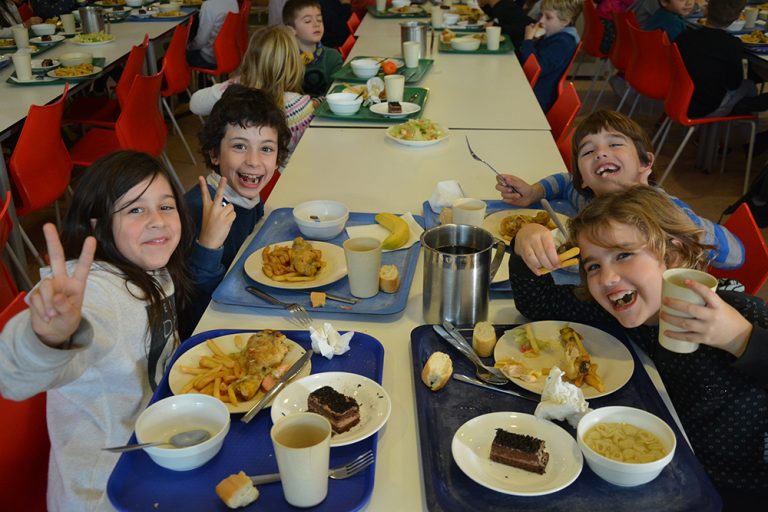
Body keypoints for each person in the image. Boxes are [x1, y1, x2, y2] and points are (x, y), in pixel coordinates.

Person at [508, 186, 768, 510]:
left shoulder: (740, 314)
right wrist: (525, 240)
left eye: (623, 255)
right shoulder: (620, 311)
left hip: (737, 491)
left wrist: (741, 339)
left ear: (672, 254)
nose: (607, 278)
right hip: (654, 471)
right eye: (593, 266)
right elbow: (538, 302)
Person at [0, 150, 193, 510]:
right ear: (97, 225)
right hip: (105, 492)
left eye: (166, 206)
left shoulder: (151, 268)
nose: (157, 221)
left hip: (160, 450)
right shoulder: (96, 293)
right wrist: (48, 339)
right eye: (135, 210)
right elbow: (12, 377)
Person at [495, 110, 744, 271]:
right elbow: (565, 181)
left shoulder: (666, 209)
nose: (601, 153)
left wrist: (671, 220)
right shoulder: (588, 197)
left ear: (645, 163)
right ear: (585, 180)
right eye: (588, 151)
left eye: (615, 144)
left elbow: (736, 254)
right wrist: (534, 192)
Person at [182, 85, 291, 339]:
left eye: (266, 149)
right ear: (214, 154)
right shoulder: (198, 211)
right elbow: (194, 310)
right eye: (240, 146)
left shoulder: (246, 196)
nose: (253, 161)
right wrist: (208, 247)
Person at [190, 25, 314, 166]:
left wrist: (230, 85)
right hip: (283, 175)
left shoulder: (236, 96)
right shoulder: (301, 106)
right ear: (294, 64)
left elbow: (195, 104)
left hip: (240, 172)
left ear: (249, 60)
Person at [676, 0, 768, 118]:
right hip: (708, 108)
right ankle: (746, 123)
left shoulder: (684, 36)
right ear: (737, 17)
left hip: (678, 100)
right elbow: (734, 84)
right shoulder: (732, 44)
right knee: (749, 85)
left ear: (706, 11)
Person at [518, 0, 581, 112]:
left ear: (565, 21)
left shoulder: (562, 43)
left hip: (537, 99)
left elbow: (536, 68)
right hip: (532, 90)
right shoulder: (555, 36)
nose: (541, 21)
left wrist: (528, 41)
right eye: (541, 15)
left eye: (548, 17)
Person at [283, 0, 344, 97]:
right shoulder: (283, 60)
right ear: (292, 30)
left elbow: (336, 94)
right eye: (308, 21)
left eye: (319, 19)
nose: (316, 24)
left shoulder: (333, 57)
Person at [186, 0, 239, 69]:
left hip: (209, 58)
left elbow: (200, 42)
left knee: (178, 54)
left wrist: (188, 47)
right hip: (227, 55)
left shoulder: (209, 5)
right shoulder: (234, 2)